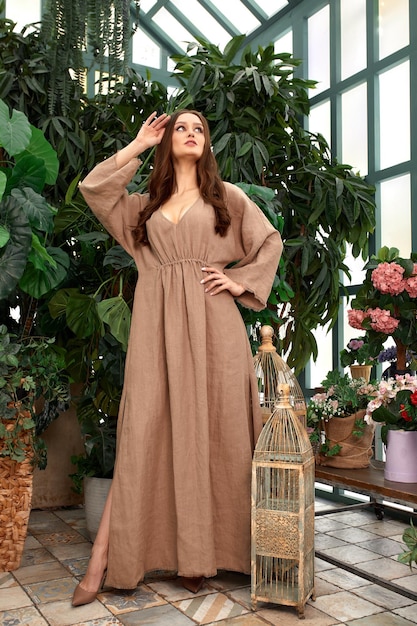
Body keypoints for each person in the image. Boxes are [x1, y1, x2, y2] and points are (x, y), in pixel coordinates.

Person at [72, 109, 283, 606]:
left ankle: (204, 555)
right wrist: (139, 144)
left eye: (199, 129)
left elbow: (268, 241)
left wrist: (240, 282)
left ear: (206, 143)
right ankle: (118, 556)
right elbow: (95, 187)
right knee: (146, 429)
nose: (190, 134)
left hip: (215, 331)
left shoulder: (226, 198)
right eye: (180, 128)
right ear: (168, 142)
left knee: (217, 432)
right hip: (156, 332)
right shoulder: (142, 208)